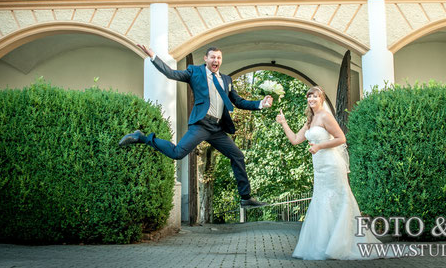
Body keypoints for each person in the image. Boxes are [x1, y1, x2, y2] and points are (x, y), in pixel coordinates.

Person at [119, 45, 272, 207]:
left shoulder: (226, 80)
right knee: (177, 153)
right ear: (205, 59)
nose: (216, 60)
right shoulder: (194, 72)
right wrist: (153, 57)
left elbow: (239, 102)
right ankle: (142, 137)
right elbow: (171, 73)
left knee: (238, 155)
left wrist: (260, 104)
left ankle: (245, 197)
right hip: (201, 124)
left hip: (217, 129)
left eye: (219, 58)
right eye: (212, 57)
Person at [276, 86, 386, 260]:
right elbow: (296, 140)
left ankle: (342, 244)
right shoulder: (310, 120)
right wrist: (283, 123)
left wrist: (319, 146)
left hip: (332, 165)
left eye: (315, 96)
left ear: (322, 99)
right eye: (309, 96)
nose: (311, 99)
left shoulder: (326, 116)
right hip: (319, 168)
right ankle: (324, 244)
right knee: (322, 201)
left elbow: (341, 138)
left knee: (338, 200)